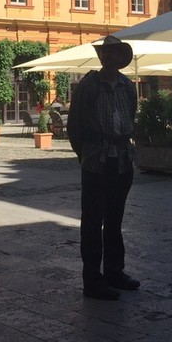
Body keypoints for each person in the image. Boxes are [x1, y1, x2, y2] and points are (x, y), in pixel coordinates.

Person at [66, 35, 140, 300]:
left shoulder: (127, 86)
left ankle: (114, 271)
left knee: (115, 220)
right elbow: (74, 126)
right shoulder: (88, 86)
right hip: (96, 161)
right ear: (101, 58)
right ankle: (92, 280)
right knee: (92, 221)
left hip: (121, 160)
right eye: (105, 54)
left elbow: (130, 115)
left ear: (121, 58)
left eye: (114, 54)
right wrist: (85, 154)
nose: (109, 58)